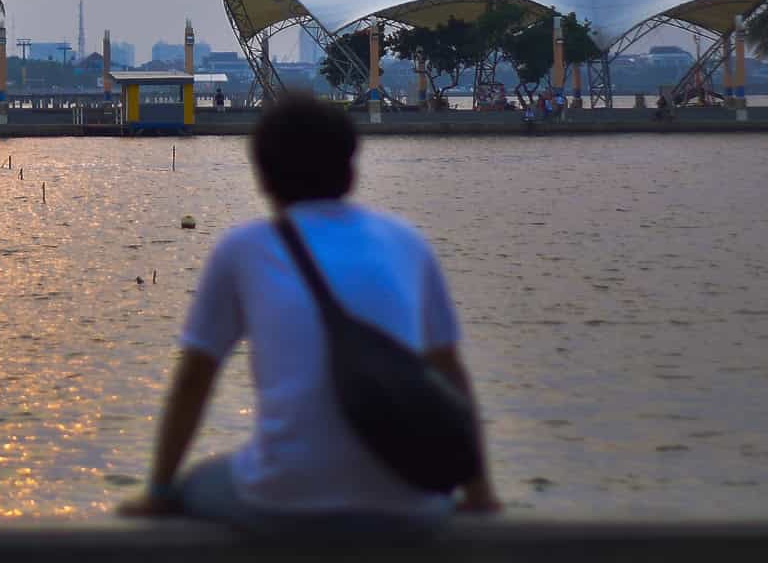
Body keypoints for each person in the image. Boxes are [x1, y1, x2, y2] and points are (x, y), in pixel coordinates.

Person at [121, 96, 498, 535]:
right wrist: (479, 492)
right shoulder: (406, 241)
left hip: (285, 499)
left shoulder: (243, 248)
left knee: (196, 486)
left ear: (262, 177)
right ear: (351, 170)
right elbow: (450, 373)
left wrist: (159, 492)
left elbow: (194, 378)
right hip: (412, 501)